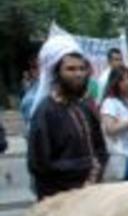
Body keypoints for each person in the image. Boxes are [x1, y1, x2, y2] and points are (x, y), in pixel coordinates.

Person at [27, 36, 107, 200]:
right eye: (71, 69)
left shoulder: (85, 107)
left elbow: (100, 149)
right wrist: (84, 168)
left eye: (82, 68)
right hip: (59, 200)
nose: (78, 74)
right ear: (56, 72)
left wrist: (93, 178)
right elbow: (40, 166)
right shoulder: (45, 112)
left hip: (91, 195)